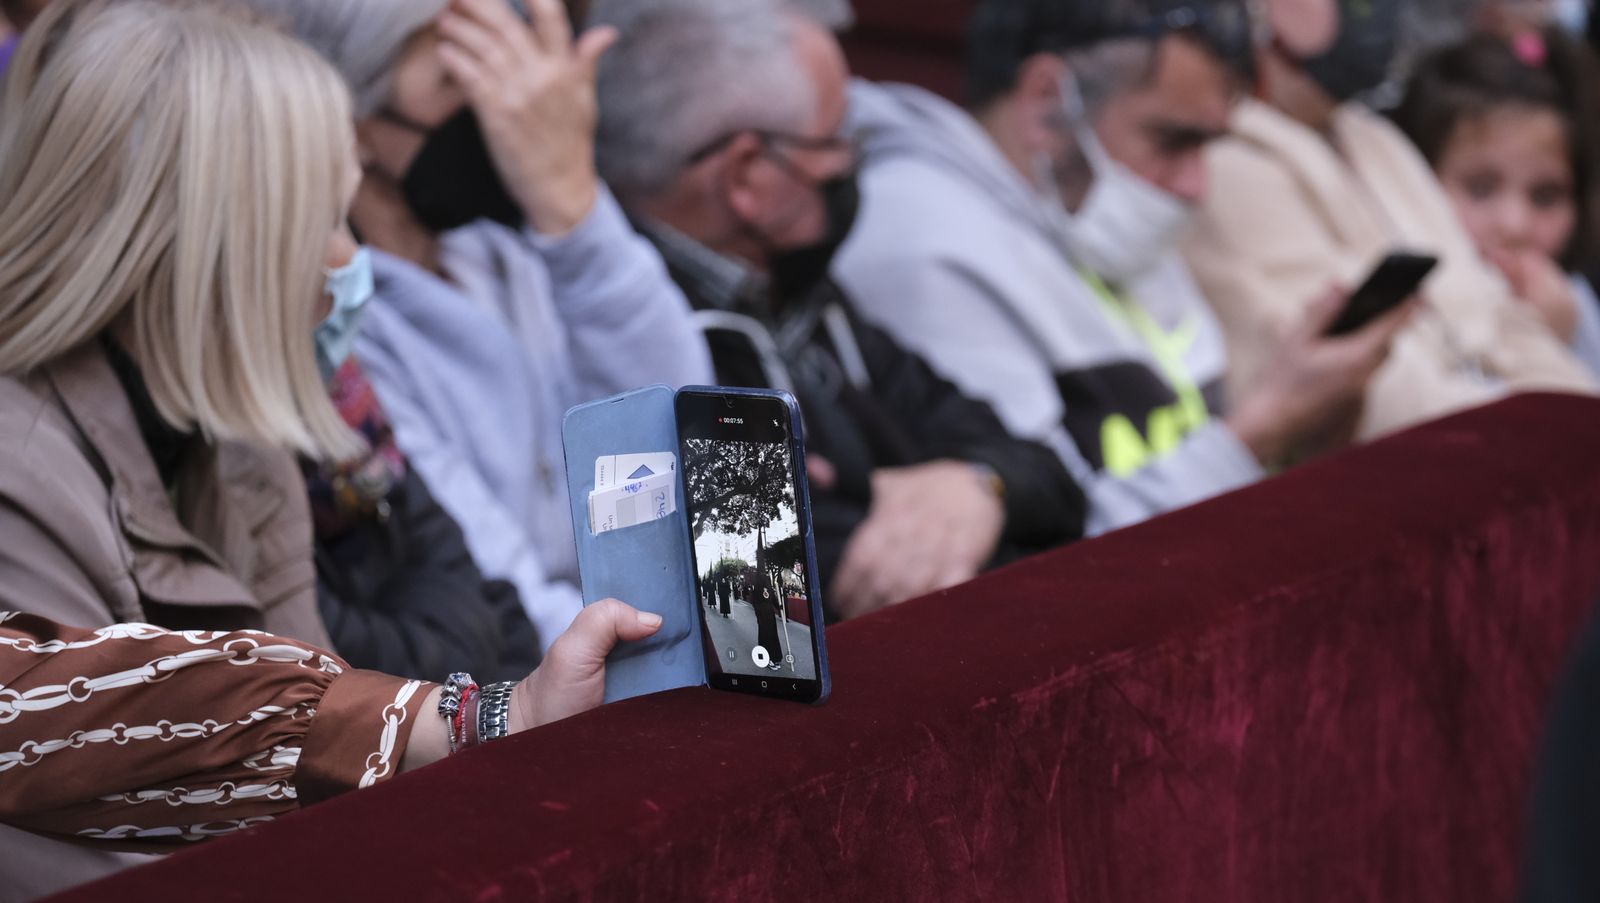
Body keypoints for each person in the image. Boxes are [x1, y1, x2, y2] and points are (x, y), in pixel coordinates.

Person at [0, 3, 656, 897]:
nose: (351, 263)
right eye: (325, 220)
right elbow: (94, 830)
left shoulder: (235, 437)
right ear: (214, 249)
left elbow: (320, 760)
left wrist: (490, 719)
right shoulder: (22, 472)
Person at [231, 0, 714, 652]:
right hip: (565, 676)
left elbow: (685, 430)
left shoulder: (507, 250)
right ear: (347, 117)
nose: (510, 107)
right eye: (461, 80)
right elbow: (496, 583)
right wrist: (665, 654)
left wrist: (573, 210)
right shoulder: (336, 318)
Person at [834, 0, 1409, 536]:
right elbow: (1051, 553)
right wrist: (1262, 430)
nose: (1196, 184)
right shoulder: (921, 245)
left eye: (1207, 146)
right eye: (1173, 140)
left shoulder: (1086, 214)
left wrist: (1311, 421)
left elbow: (1191, 448)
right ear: (1046, 102)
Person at [592, 0, 1088, 620]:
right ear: (747, 178)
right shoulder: (644, 349)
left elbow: (1050, 474)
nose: (855, 160)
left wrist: (978, 486)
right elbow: (771, 604)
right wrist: (938, 501)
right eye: (836, 139)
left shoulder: (804, 296)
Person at [1182, 0, 1596, 441]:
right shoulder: (1215, 160)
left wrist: (1579, 435)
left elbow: (1505, 321)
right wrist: (1551, 438)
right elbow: (1373, 397)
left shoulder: (1371, 137)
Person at [1392, 30, 1600, 378]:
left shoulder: (1572, 300)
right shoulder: (1409, 315)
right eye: (1480, 189)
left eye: (1545, 196)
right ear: (1417, 180)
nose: (1514, 225)